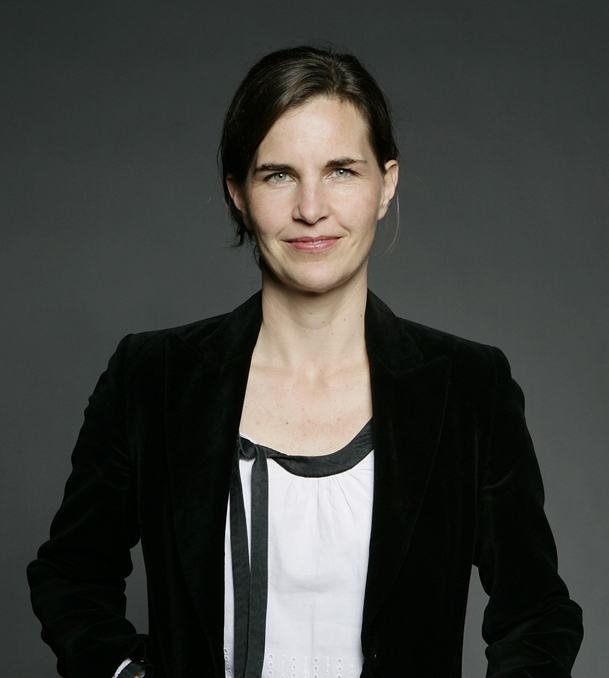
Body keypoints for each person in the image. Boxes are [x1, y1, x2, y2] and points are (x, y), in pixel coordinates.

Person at [28, 46, 583, 678]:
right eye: (278, 175)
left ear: (385, 185)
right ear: (238, 194)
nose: (311, 208)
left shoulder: (469, 389)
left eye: (341, 170)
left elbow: (537, 615)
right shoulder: (152, 378)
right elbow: (70, 575)